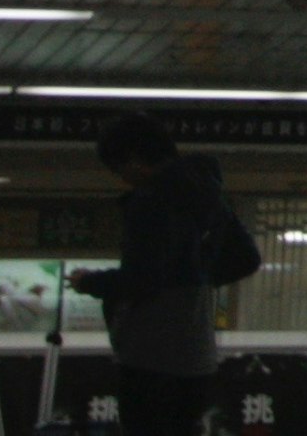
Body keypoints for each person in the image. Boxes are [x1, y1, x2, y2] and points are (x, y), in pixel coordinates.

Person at [68, 115, 255, 436]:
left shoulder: (151, 201)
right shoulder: (208, 194)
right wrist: (195, 279)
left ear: (134, 159)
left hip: (150, 354)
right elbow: (246, 259)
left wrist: (88, 282)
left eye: (118, 169)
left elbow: (142, 279)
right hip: (197, 354)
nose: (122, 179)